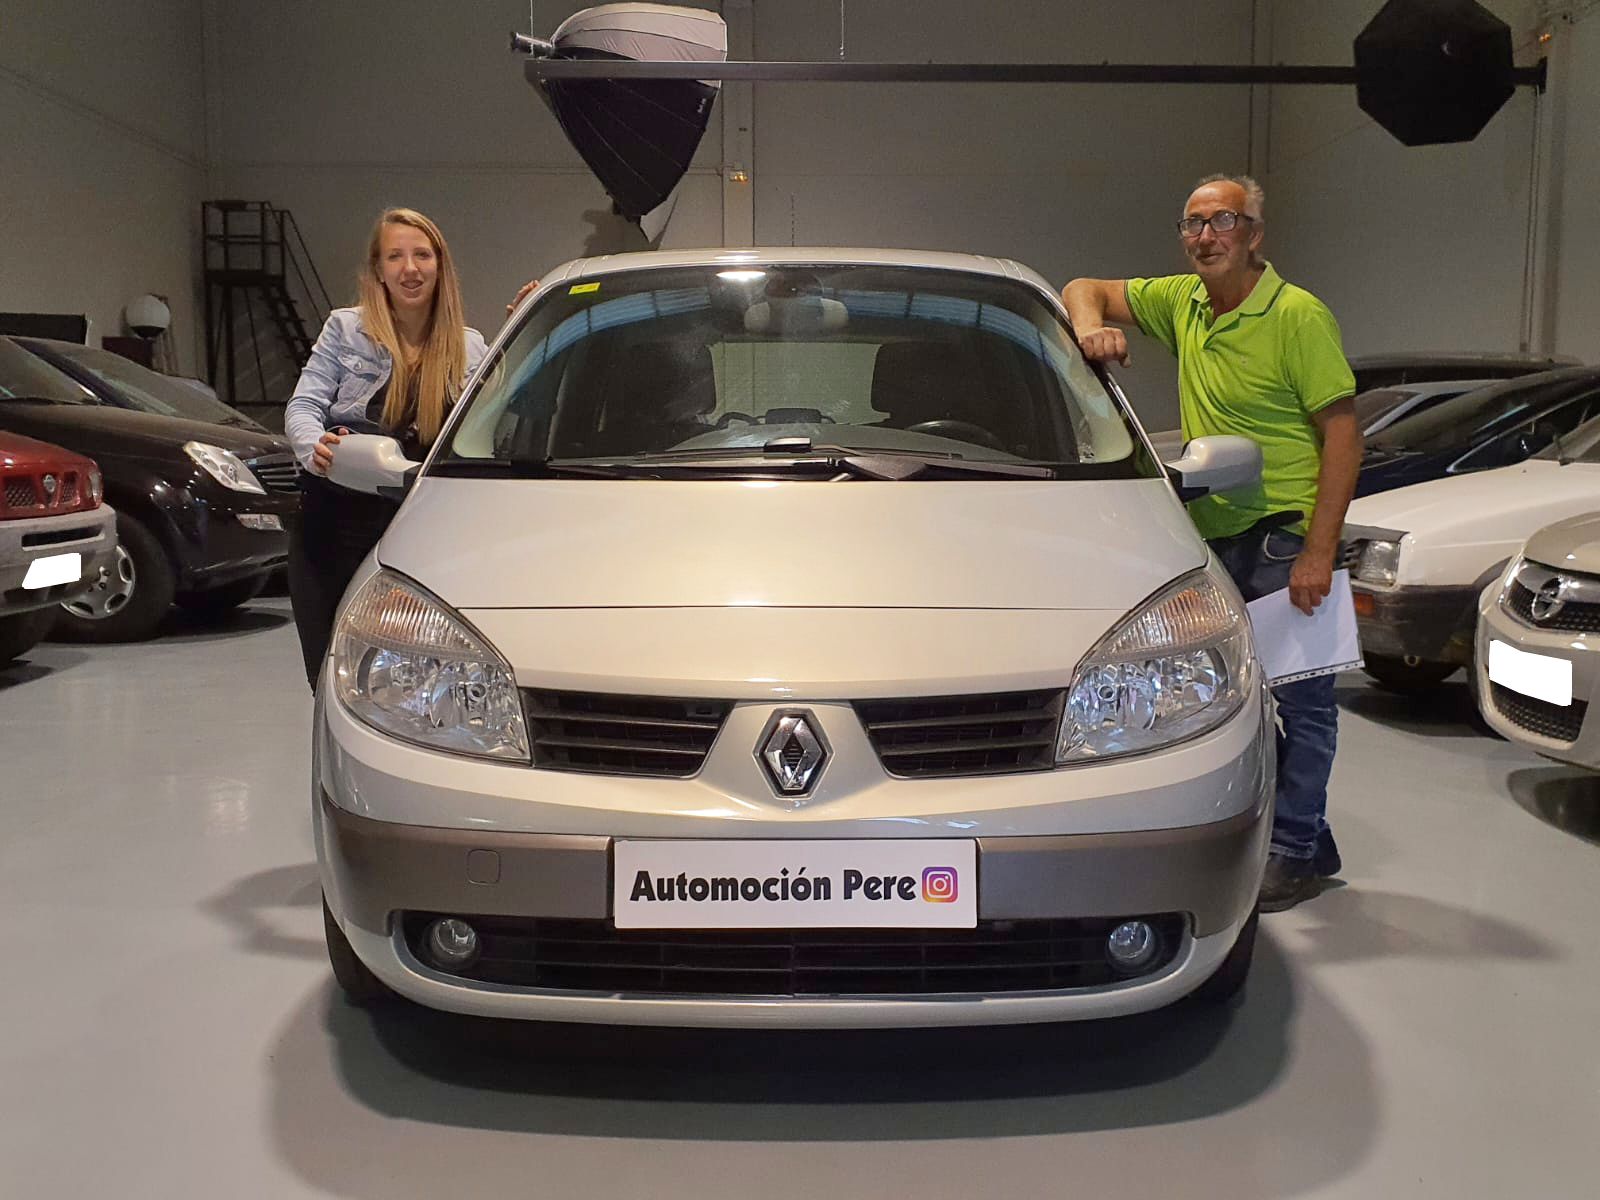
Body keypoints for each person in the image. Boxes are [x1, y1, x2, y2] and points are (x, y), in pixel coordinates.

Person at [1062, 173, 1362, 912]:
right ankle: (1308, 834)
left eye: (1222, 221)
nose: (1205, 237)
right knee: (1233, 699)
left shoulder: (1297, 316)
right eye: (1193, 224)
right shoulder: (1184, 302)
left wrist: (1319, 552)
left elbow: (1344, 436)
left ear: (1254, 234)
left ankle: (1295, 852)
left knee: (1305, 704)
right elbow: (1081, 287)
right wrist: (1091, 328)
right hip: (1216, 535)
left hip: (1284, 537)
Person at [284, 207, 487, 690]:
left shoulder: (470, 346)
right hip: (332, 524)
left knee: (417, 681)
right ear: (378, 269)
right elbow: (304, 404)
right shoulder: (345, 329)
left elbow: (492, 427)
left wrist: (520, 331)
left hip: (421, 529)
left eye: (422, 255)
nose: (409, 268)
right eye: (395, 256)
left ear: (440, 265)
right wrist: (314, 446)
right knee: (330, 675)